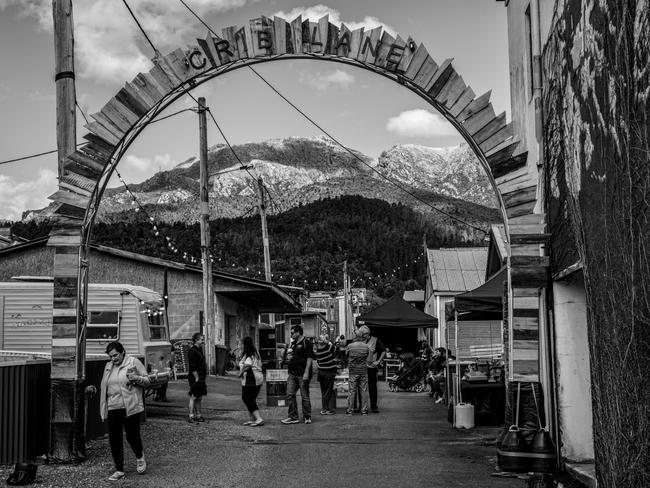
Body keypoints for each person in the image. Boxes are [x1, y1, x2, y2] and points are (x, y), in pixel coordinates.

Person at [99, 341, 150, 482]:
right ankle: (119, 469)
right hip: (113, 407)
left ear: (122, 352)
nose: (113, 359)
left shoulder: (133, 362)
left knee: (132, 435)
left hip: (130, 406)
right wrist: (104, 407)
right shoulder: (108, 366)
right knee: (114, 439)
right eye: (110, 356)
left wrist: (136, 378)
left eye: (115, 355)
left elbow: (147, 381)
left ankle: (140, 457)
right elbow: (105, 387)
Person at [281, 324, 314, 424]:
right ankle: (293, 416)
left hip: (302, 373)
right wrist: (288, 358)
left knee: (304, 396)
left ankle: (307, 416)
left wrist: (306, 373)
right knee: (290, 394)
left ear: (298, 332)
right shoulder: (293, 343)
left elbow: (309, 358)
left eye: (292, 333)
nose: (291, 335)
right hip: (292, 373)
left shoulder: (306, 343)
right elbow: (290, 355)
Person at [358, 325, 386, 413]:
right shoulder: (360, 340)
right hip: (361, 368)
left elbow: (383, 351)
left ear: (367, 334)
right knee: (361, 388)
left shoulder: (375, 340)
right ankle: (361, 406)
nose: (362, 337)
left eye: (363, 335)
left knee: (372, 388)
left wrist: (378, 361)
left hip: (371, 368)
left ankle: (374, 406)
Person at [238, 336, 265, 426]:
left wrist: (241, 372)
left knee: (246, 398)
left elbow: (248, 365)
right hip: (259, 377)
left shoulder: (248, 353)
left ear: (244, 344)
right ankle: (253, 419)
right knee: (251, 399)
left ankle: (258, 418)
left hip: (251, 379)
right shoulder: (256, 352)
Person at [345, 327, 371, 415]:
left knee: (352, 391)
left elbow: (346, 355)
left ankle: (350, 410)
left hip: (353, 371)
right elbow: (367, 356)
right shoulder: (366, 346)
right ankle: (364, 410)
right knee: (364, 391)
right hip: (363, 371)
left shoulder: (350, 346)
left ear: (356, 336)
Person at [314, 334, 338, 415]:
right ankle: (325, 409)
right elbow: (337, 349)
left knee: (324, 391)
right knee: (328, 391)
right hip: (328, 372)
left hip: (321, 373)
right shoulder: (329, 348)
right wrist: (328, 342)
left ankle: (325, 408)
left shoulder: (318, 350)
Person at [187, 332, 207, 423]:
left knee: (199, 397)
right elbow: (192, 366)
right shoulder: (192, 351)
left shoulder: (199, 349)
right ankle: (191, 416)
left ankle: (198, 415)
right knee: (193, 396)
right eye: (201, 339)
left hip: (201, 377)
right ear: (196, 340)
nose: (203, 341)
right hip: (196, 377)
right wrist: (196, 377)